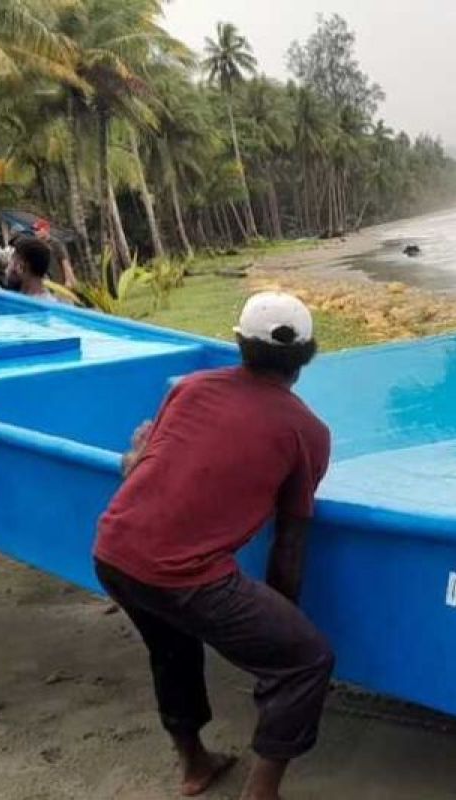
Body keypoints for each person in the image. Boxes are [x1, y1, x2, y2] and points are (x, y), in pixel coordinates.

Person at [93, 291, 334, 800]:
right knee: (305, 659)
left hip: (113, 549)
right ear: (307, 355)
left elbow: (149, 462)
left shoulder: (191, 388)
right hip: (183, 574)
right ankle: (261, 793)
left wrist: (134, 459)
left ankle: (194, 765)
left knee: (170, 646)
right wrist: (281, 619)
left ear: (239, 343)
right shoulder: (307, 431)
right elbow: (290, 541)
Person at [5, 235, 59, 301]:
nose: (7, 270)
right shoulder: (51, 304)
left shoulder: (21, 307)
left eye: (10, 262)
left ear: (20, 267)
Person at [33, 220, 78, 288]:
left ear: (46, 230)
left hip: (59, 283)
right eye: (34, 230)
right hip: (46, 283)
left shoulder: (56, 244)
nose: (35, 232)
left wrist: (68, 280)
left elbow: (65, 262)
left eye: (37, 230)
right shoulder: (37, 246)